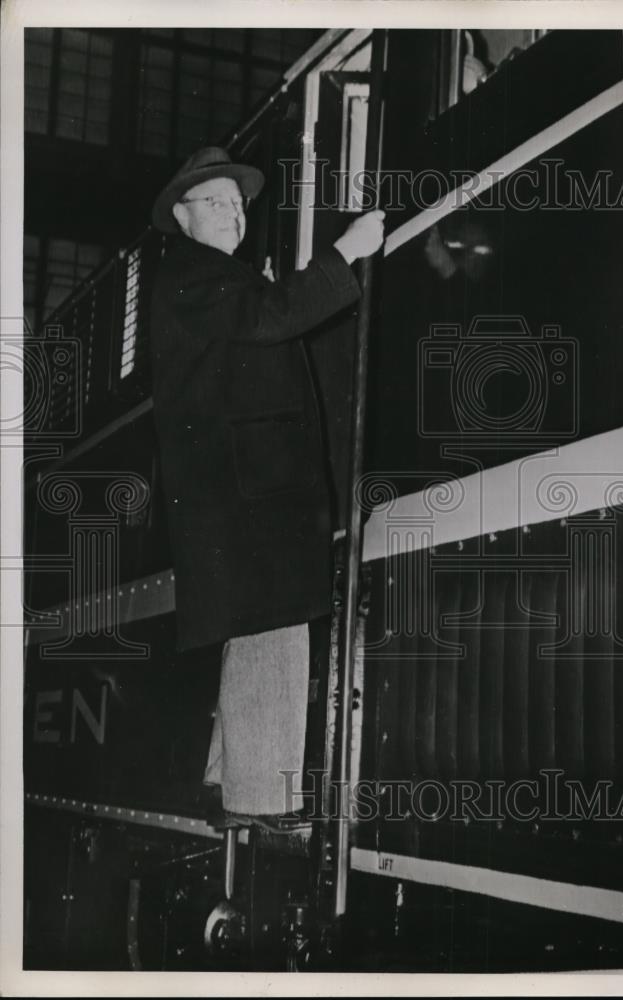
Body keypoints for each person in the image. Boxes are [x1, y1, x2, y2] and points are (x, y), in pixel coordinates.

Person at [150, 146, 384, 828]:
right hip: (246, 499)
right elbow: (272, 318)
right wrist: (344, 252)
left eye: (237, 203)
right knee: (272, 628)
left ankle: (229, 780)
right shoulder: (196, 275)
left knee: (252, 629)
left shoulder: (212, 280)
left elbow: (262, 323)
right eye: (214, 201)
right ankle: (262, 797)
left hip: (237, 495)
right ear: (182, 215)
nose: (231, 212)